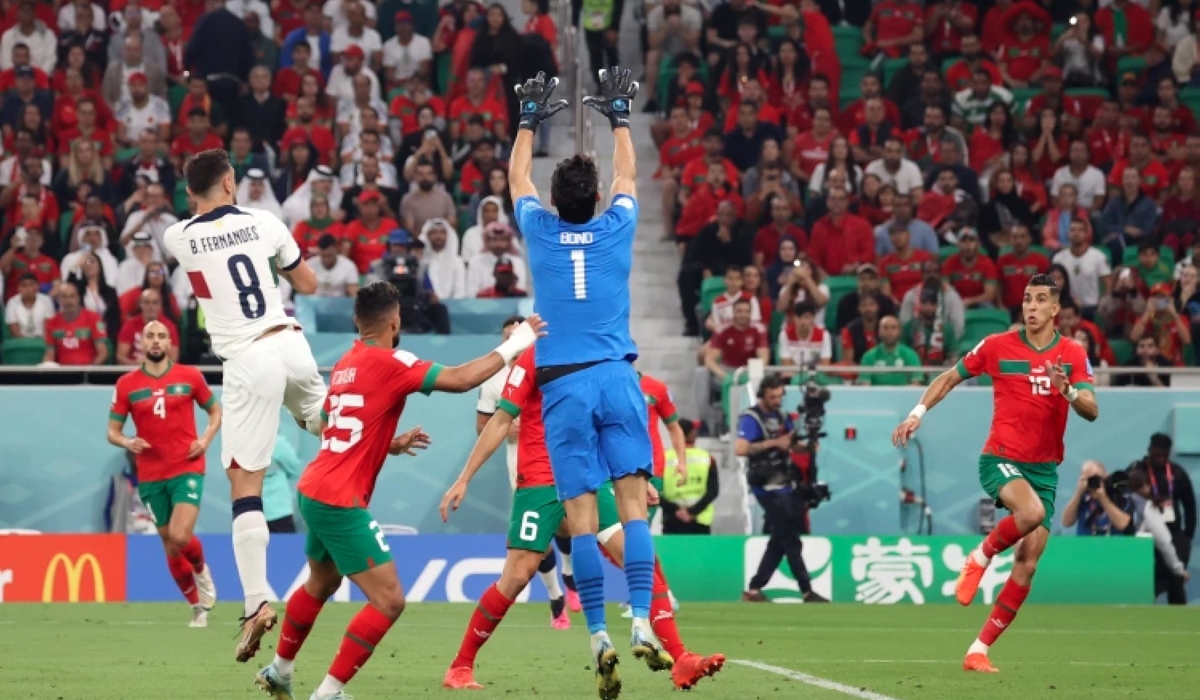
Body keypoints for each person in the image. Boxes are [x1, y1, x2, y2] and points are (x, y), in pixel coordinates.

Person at [253, 283, 545, 700]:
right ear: (395, 321)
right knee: (389, 600)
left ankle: (280, 670)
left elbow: (332, 424)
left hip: (314, 488)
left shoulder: (346, 363)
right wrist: (519, 340)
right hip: (339, 499)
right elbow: (463, 379)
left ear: (357, 322)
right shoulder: (392, 361)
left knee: (321, 582)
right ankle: (328, 692)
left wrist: (387, 443)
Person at [507, 67, 670, 688]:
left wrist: (528, 121)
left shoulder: (539, 230)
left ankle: (598, 633)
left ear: (554, 201)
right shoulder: (616, 225)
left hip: (563, 386)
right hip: (617, 379)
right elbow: (628, 176)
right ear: (596, 197)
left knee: (581, 520)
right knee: (632, 513)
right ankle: (642, 622)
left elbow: (516, 178)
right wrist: (620, 117)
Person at [439, 346, 725, 692]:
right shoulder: (534, 357)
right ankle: (460, 666)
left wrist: (635, 478)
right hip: (541, 480)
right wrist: (464, 477)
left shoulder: (597, 350)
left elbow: (610, 423)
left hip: (589, 477)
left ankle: (681, 658)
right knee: (517, 575)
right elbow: (500, 421)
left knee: (640, 561)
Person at [164, 149, 326, 664]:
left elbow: (202, 266)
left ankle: (256, 601)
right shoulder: (266, 222)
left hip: (248, 361)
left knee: (244, 482)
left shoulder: (178, 236)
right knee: (328, 423)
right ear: (232, 183)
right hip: (292, 343)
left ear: (190, 193)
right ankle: (382, 436)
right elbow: (309, 284)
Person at [892, 273, 1099, 673]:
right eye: (1027, 299)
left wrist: (1069, 391)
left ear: (1055, 309)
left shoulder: (1072, 353)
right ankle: (979, 557)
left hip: (1044, 470)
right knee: (1031, 513)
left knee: (1028, 562)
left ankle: (978, 650)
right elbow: (950, 377)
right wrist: (917, 413)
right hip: (1001, 458)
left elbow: (1091, 409)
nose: (1032, 306)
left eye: (1041, 300)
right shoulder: (997, 346)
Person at [106, 321, 221, 627]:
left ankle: (201, 570)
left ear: (170, 343)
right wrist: (127, 441)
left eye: (161, 336)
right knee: (170, 544)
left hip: (187, 466)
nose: (156, 341)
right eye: (150, 336)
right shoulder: (127, 384)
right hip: (151, 475)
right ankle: (197, 607)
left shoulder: (190, 376)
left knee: (181, 535)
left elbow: (215, 411)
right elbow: (112, 431)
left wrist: (205, 440)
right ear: (141, 343)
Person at [473, 315, 570, 628]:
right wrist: (507, 430)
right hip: (522, 465)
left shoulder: (546, 365)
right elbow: (483, 425)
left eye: (519, 334)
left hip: (559, 459)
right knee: (536, 540)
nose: (513, 341)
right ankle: (556, 594)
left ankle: (570, 573)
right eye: (508, 336)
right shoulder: (493, 379)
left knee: (566, 526)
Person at [736, 376, 828, 603]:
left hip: (786, 484)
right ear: (763, 394)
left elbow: (791, 445)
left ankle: (754, 589)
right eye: (772, 397)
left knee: (780, 537)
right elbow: (741, 448)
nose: (777, 401)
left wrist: (807, 448)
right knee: (790, 537)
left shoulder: (782, 417)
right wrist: (775, 443)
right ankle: (806, 589)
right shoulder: (751, 417)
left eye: (779, 396)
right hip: (765, 485)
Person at [1126, 433, 1196, 605]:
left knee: (1176, 578)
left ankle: (1178, 613)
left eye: (1165, 456)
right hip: (1144, 533)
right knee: (1149, 579)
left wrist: (1187, 536)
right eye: (1157, 455)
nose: (1161, 459)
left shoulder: (1177, 473)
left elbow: (1190, 506)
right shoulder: (1137, 470)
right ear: (1149, 450)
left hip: (1174, 532)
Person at [661, 419, 719, 536]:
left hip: (672, 520)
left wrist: (676, 511)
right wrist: (692, 512)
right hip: (700, 520)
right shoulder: (708, 458)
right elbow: (713, 491)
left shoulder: (662, 459)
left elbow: (653, 492)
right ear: (692, 434)